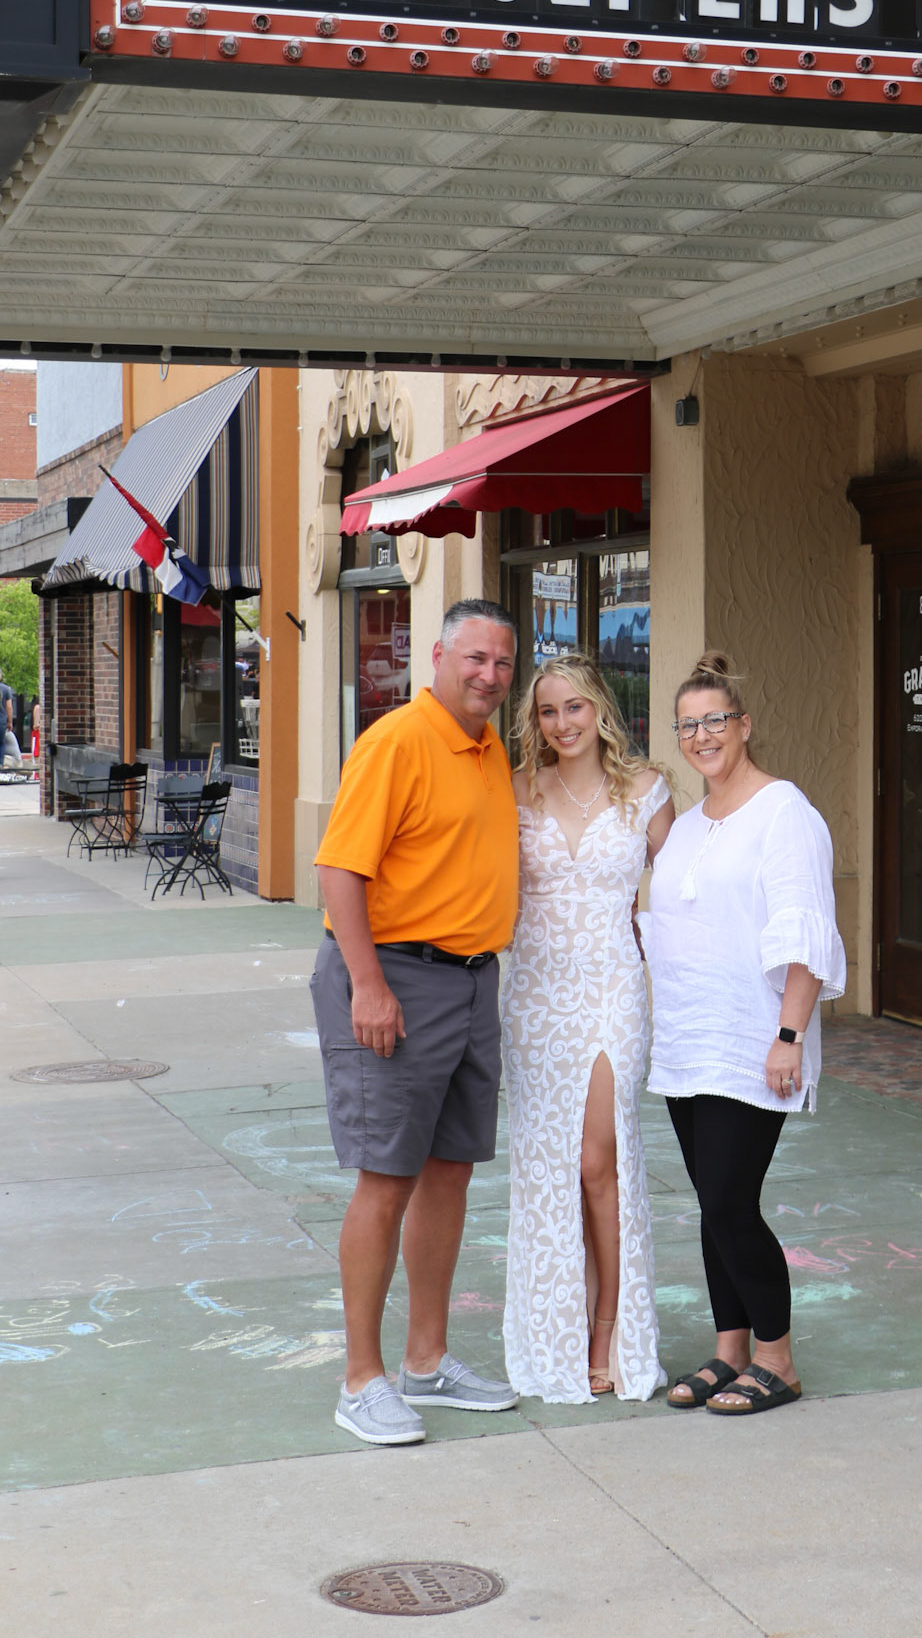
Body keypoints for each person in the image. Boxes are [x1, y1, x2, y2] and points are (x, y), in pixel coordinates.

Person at [310, 599, 520, 1447]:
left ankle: (426, 1361)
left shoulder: (490, 746)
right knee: (385, 1177)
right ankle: (362, 1379)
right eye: (474, 658)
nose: (489, 676)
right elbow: (338, 870)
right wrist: (368, 986)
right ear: (437, 654)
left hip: (471, 984)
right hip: (396, 977)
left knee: (448, 1172)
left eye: (502, 663)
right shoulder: (397, 740)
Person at [642, 651, 846, 1417]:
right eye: (687, 726)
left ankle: (777, 1359)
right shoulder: (690, 826)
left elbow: (806, 932)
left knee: (731, 1200)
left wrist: (789, 1034)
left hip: (754, 1041)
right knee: (709, 1201)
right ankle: (729, 1351)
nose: (701, 737)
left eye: (714, 721)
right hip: (690, 1036)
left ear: (744, 724)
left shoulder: (783, 811)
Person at [502, 654, 673, 1403]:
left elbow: (684, 898)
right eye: (547, 712)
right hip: (534, 999)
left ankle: (608, 1329)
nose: (562, 723)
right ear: (533, 721)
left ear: (598, 708)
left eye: (574, 707)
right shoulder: (512, 790)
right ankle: (556, 1332)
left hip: (611, 990)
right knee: (548, 1167)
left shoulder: (645, 791)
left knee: (596, 1160)